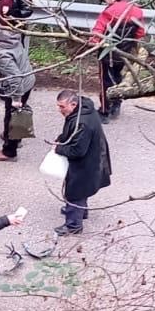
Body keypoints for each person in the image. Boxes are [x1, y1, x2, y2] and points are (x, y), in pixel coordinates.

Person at [53, 89, 111, 235]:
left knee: (75, 191)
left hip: (86, 162)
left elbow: (77, 151)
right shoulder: (83, 111)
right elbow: (73, 134)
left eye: (62, 107)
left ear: (73, 104)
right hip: (94, 157)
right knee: (82, 189)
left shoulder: (82, 123)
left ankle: (73, 225)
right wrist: (62, 138)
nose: (59, 110)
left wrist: (58, 148)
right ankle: (80, 212)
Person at [0, 19, 35, 162]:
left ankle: (9, 151)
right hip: (28, 79)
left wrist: (16, 99)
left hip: (18, 86)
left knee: (12, 117)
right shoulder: (10, 36)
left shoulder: (0, 53)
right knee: (14, 116)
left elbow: (15, 79)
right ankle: (13, 137)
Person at [91, 0, 146, 121]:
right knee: (117, 78)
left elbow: (98, 31)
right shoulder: (137, 11)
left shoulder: (109, 12)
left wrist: (93, 43)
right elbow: (140, 33)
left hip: (107, 54)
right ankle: (116, 105)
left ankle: (104, 111)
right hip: (123, 54)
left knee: (106, 81)